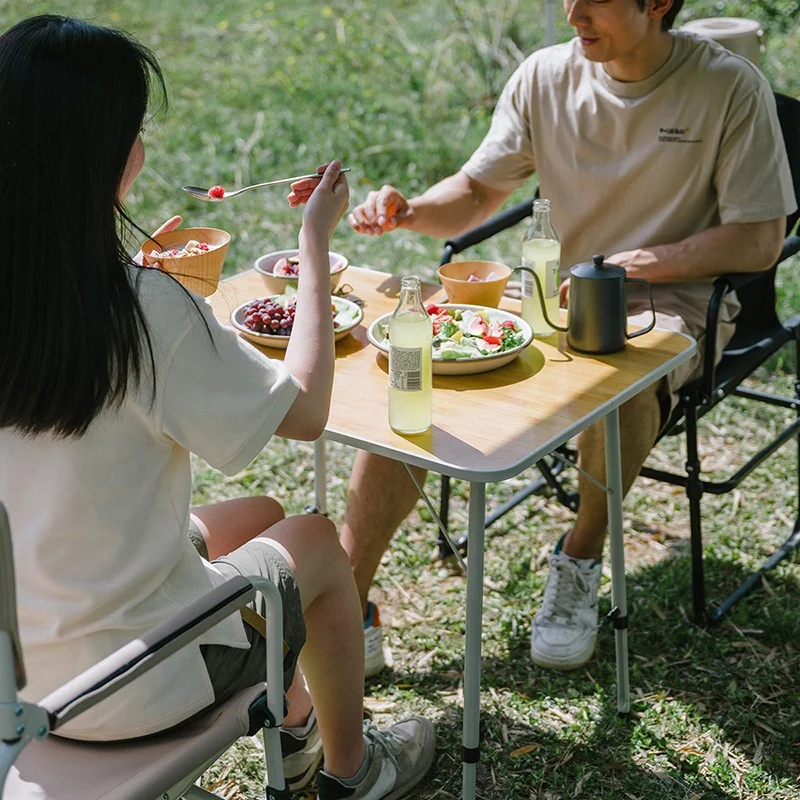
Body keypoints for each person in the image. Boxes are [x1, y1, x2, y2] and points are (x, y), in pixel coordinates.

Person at [0, 15, 436, 800]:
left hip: (22, 673)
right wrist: (313, 247)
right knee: (311, 542)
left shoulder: (62, 296)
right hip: (124, 687)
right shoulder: (142, 311)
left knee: (257, 512)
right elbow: (302, 413)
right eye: (134, 129)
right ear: (106, 155)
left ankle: (296, 731)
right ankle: (355, 773)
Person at [302, 0, 797, 674]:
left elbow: (761, 238)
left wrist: (632, 266)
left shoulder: (727, 86)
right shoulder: (544, 77)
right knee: (420, 361)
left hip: (667, 303)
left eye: (592, 0)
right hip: (546, 292)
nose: (571, 15)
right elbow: (478, 191)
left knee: (617, 381)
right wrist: (411, 209)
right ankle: (348, 601)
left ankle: (580, 556)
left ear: (656, 3)